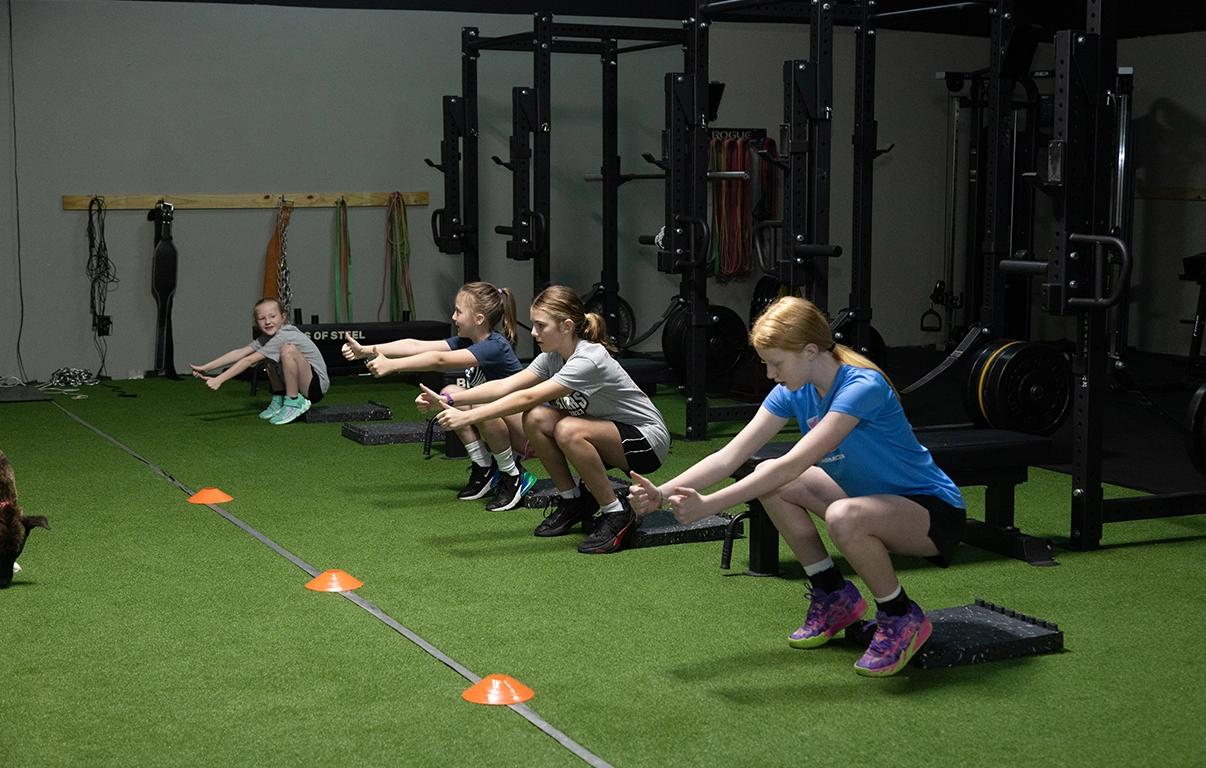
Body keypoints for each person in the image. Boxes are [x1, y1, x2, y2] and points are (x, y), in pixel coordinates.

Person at [629, 296, 965, 677]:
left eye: (776, 363)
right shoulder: (795, 390)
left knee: (831, 508)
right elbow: (731, 456)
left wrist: (709, 505)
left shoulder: (862, 386)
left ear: (809, 351)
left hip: (930, 512)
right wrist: (660, 493)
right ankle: (832, 593)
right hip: (868, 503)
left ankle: (900, 614)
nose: (771, 374)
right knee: (772, 479)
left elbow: (794, 464)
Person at [423, 285, 670, 554]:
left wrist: (468, 416)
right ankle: (572, 500)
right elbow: (507, 386)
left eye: (541, 325)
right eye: (533, 325)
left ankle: (617, 513)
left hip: (646, 441)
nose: (534, 332)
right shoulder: (553, 357)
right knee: (537, 418)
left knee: (567, 429)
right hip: (607, 433)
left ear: (566, 326)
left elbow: (527, 396)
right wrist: (447, 400)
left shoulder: (588, 359)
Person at [343, 282, 535, 512]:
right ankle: (485, 468)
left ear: (479, 319)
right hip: (506, 422)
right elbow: (416, 346)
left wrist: (392, 366)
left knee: (477, 399)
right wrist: (365, 350)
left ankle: (513, 474)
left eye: (458, 311)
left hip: (528, 432)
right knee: (450, 393)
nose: (453, 317)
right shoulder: (467, 341)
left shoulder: (494, 346)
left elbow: (439, 360)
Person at [190, 297, 329, 425]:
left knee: (288, 350)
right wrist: (207, 367)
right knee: (268, 357)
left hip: (315, 387)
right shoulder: (267, 338)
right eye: (262, 318)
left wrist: (219, 379)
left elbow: (248, 360)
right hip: (304, 382)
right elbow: (241, 352)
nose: (267, 322)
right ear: (257, 322)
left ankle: (293, 402)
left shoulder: (283, 335)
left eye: (272, 316)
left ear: (283, 317)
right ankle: (279, 398)